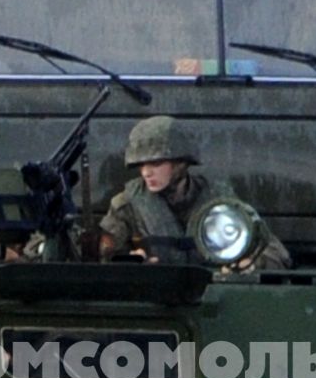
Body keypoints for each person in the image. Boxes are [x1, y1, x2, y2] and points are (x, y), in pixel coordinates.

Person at [97, 116, 290, 270]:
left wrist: (253, 264)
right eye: (141, 165)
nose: (146, 172)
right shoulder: (126, 205)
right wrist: (130, 264)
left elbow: (275, 253)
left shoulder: (221, 203)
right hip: (155, 301)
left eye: (156, 163)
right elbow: (102, 259)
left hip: (211, 298)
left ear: (181, 162)